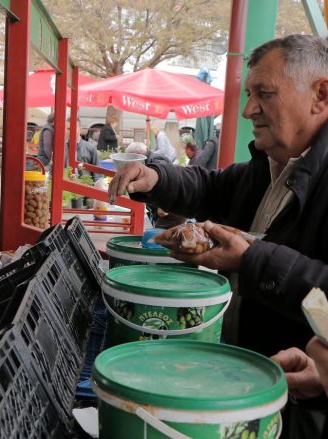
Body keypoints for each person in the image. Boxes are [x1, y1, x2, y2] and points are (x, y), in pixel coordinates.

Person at [109, 34, 328, 437]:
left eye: (265, 94)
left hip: (294, 406)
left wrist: (250, 259)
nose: (248, 110)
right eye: (248, 94)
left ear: (321, 96)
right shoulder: (269, 165)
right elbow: (210, 187)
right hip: (241, 382)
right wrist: (155, 177)